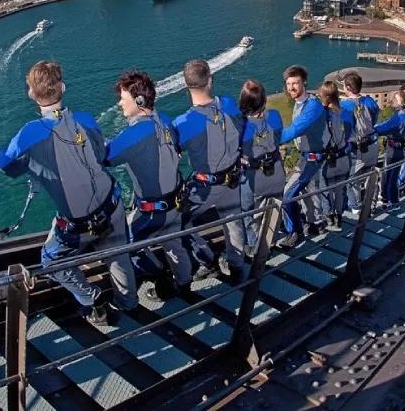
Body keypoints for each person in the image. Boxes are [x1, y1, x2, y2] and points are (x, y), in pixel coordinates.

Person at [0, 61, 137, 325]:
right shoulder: (85, 120)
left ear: (31, 94)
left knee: (51, 261)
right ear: (62, 87)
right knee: (117, 254)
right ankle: (129, 305)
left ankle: (92, 300)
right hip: (112, 203)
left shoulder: (28, 135)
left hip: (80, 223)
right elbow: (100, 154)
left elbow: (6, 165)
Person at [103, 69, 192, 300]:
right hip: (176, 204)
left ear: (139, 100)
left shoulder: (136, 133)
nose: (120, 104)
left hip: (154, 212)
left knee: (125, 246)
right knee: (174, 245)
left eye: (124, 98)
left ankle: (161, 277)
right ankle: (184, 285)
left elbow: (106, 157)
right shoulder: (164, 119)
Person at [172, 59, 246, 284]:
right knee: (233, 223)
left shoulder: (183, 122)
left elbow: (170, 148)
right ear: (210, 80)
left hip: (207, 185)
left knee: (178, 223)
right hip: (234, 178)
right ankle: (237, 266)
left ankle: (207, 259)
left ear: (186, 85)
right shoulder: (229, 104)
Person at [276, 65, 328, 249]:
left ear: (303, 83)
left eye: (295, 83)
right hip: (308, 156)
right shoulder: (300, 103)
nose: (291, 87)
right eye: (288, 84)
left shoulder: (312, 105)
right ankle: (315, 224)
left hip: (312, 159)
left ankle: (294, 232)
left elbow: (296, 129)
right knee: (308, 192)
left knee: (287, 194)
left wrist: (268, 141)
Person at [238, 79, 286, 253]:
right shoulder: (274, 116)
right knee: (274, 211)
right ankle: (270, 244)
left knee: (248, 215)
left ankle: (254, 247)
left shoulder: (241, 126)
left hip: (254, 176)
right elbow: (278, 137)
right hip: (277, 172)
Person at [340, 72, 380, 214]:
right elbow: (375, 117)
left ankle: (356, 207)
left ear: (348, 87)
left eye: (344, 85)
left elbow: (345, 127)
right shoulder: (369, 101)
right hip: (373, 144)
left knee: (353, 180)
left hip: (358, 149)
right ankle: (372, 204)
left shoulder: (345, 106)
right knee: (371, 176)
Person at [316, 81, 353, 231]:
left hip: (328, 160)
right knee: (340, 190)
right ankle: (338, 217)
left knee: (325, 191)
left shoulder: (321, 115)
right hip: (343, 156)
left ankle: (328, 217)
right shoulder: (345, 112)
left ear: (324, 96)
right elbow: (351, 132)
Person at [375, 90, 405, 211]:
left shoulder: (399, 116)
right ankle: (392, 200)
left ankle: (389, 201)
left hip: (394, 150)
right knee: (392, 175)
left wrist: (372, 129)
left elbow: (386, 127)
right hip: (400, 149)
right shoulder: (403, 114)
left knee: (388, 176)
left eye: (396, 99)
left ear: (403, 103)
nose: (393, 101)